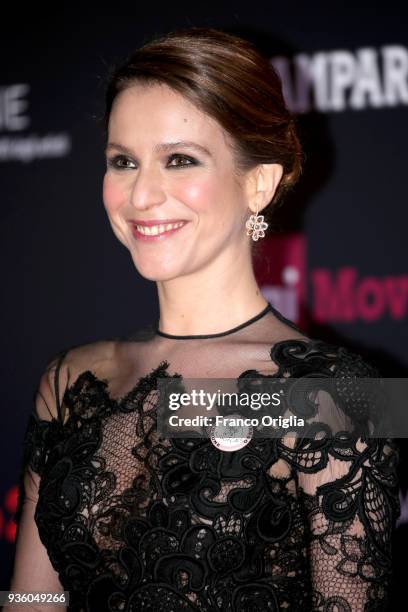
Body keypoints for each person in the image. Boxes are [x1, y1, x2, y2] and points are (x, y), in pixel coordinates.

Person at [8, 27, 400, 612]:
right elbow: (32, 600)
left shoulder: (342, 393)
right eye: (123, 161)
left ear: (258, 184)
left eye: (180, 160)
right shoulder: (69, 381)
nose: (141, 195)